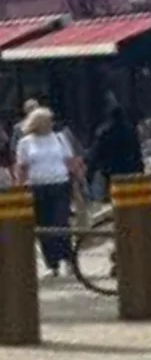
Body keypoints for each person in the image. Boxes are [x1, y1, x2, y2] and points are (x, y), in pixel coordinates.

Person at [14, 107, 80, 276]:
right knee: (43, 226)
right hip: (37, 187)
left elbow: (69, 160)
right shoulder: (26, 143)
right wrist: (19, 188)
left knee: (61, 222)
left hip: (59, 184)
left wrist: (79, 178)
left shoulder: (59, 138)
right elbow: (22, 167)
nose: (51, 123)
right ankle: (52, 264)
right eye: (48, 121)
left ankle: (68, 259)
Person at [86, 104, 145, 199]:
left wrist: (91, 171)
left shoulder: (106, 133)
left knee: (114, 198)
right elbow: (137, 152)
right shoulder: (131, 132)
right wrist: (140, 168)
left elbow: (97, 153)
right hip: (130, 170)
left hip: (112, 172)